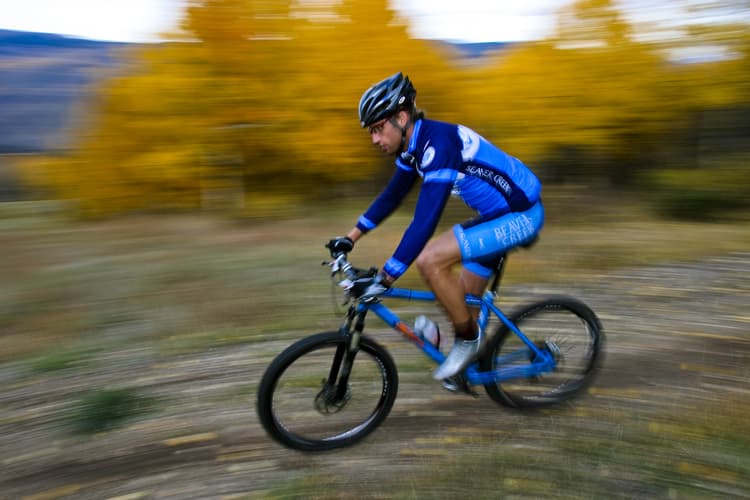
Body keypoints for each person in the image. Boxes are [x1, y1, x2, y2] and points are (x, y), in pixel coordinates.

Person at [329, 72, 544, 385]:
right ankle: (466, 359)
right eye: (371, 131)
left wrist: (386, 277)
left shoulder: (438, 146)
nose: (374, 139)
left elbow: (425, 221)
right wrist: (350, 238)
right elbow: (392, 196)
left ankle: (467, 343)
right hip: (496, 217)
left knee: (430, 261)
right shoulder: (413, 147)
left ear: (401, 118)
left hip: (521, 216)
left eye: (378, 128)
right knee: (460, 305)